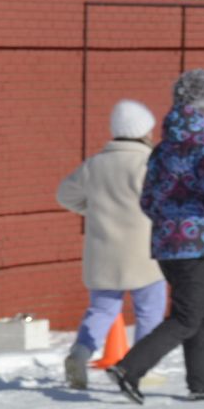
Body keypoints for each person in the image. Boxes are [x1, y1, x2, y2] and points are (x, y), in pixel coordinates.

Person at [107, 69, 204, 403]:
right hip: (197, 240)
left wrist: (168, 223)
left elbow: (147, 197)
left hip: (166, 242)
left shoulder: (163, 148)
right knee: (187, 316)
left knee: (201, 311)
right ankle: (128, 368)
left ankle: (203, 382)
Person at [55, 99, 166, 389]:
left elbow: (64, 195)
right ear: (143, 132)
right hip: (145, 253)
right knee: (149, 312)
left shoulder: (95, 164)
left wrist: (92, 210)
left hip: (103, 252)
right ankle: (140, 367)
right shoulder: (149, 164)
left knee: (102, 309)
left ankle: (79, 353)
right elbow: (164, 203)